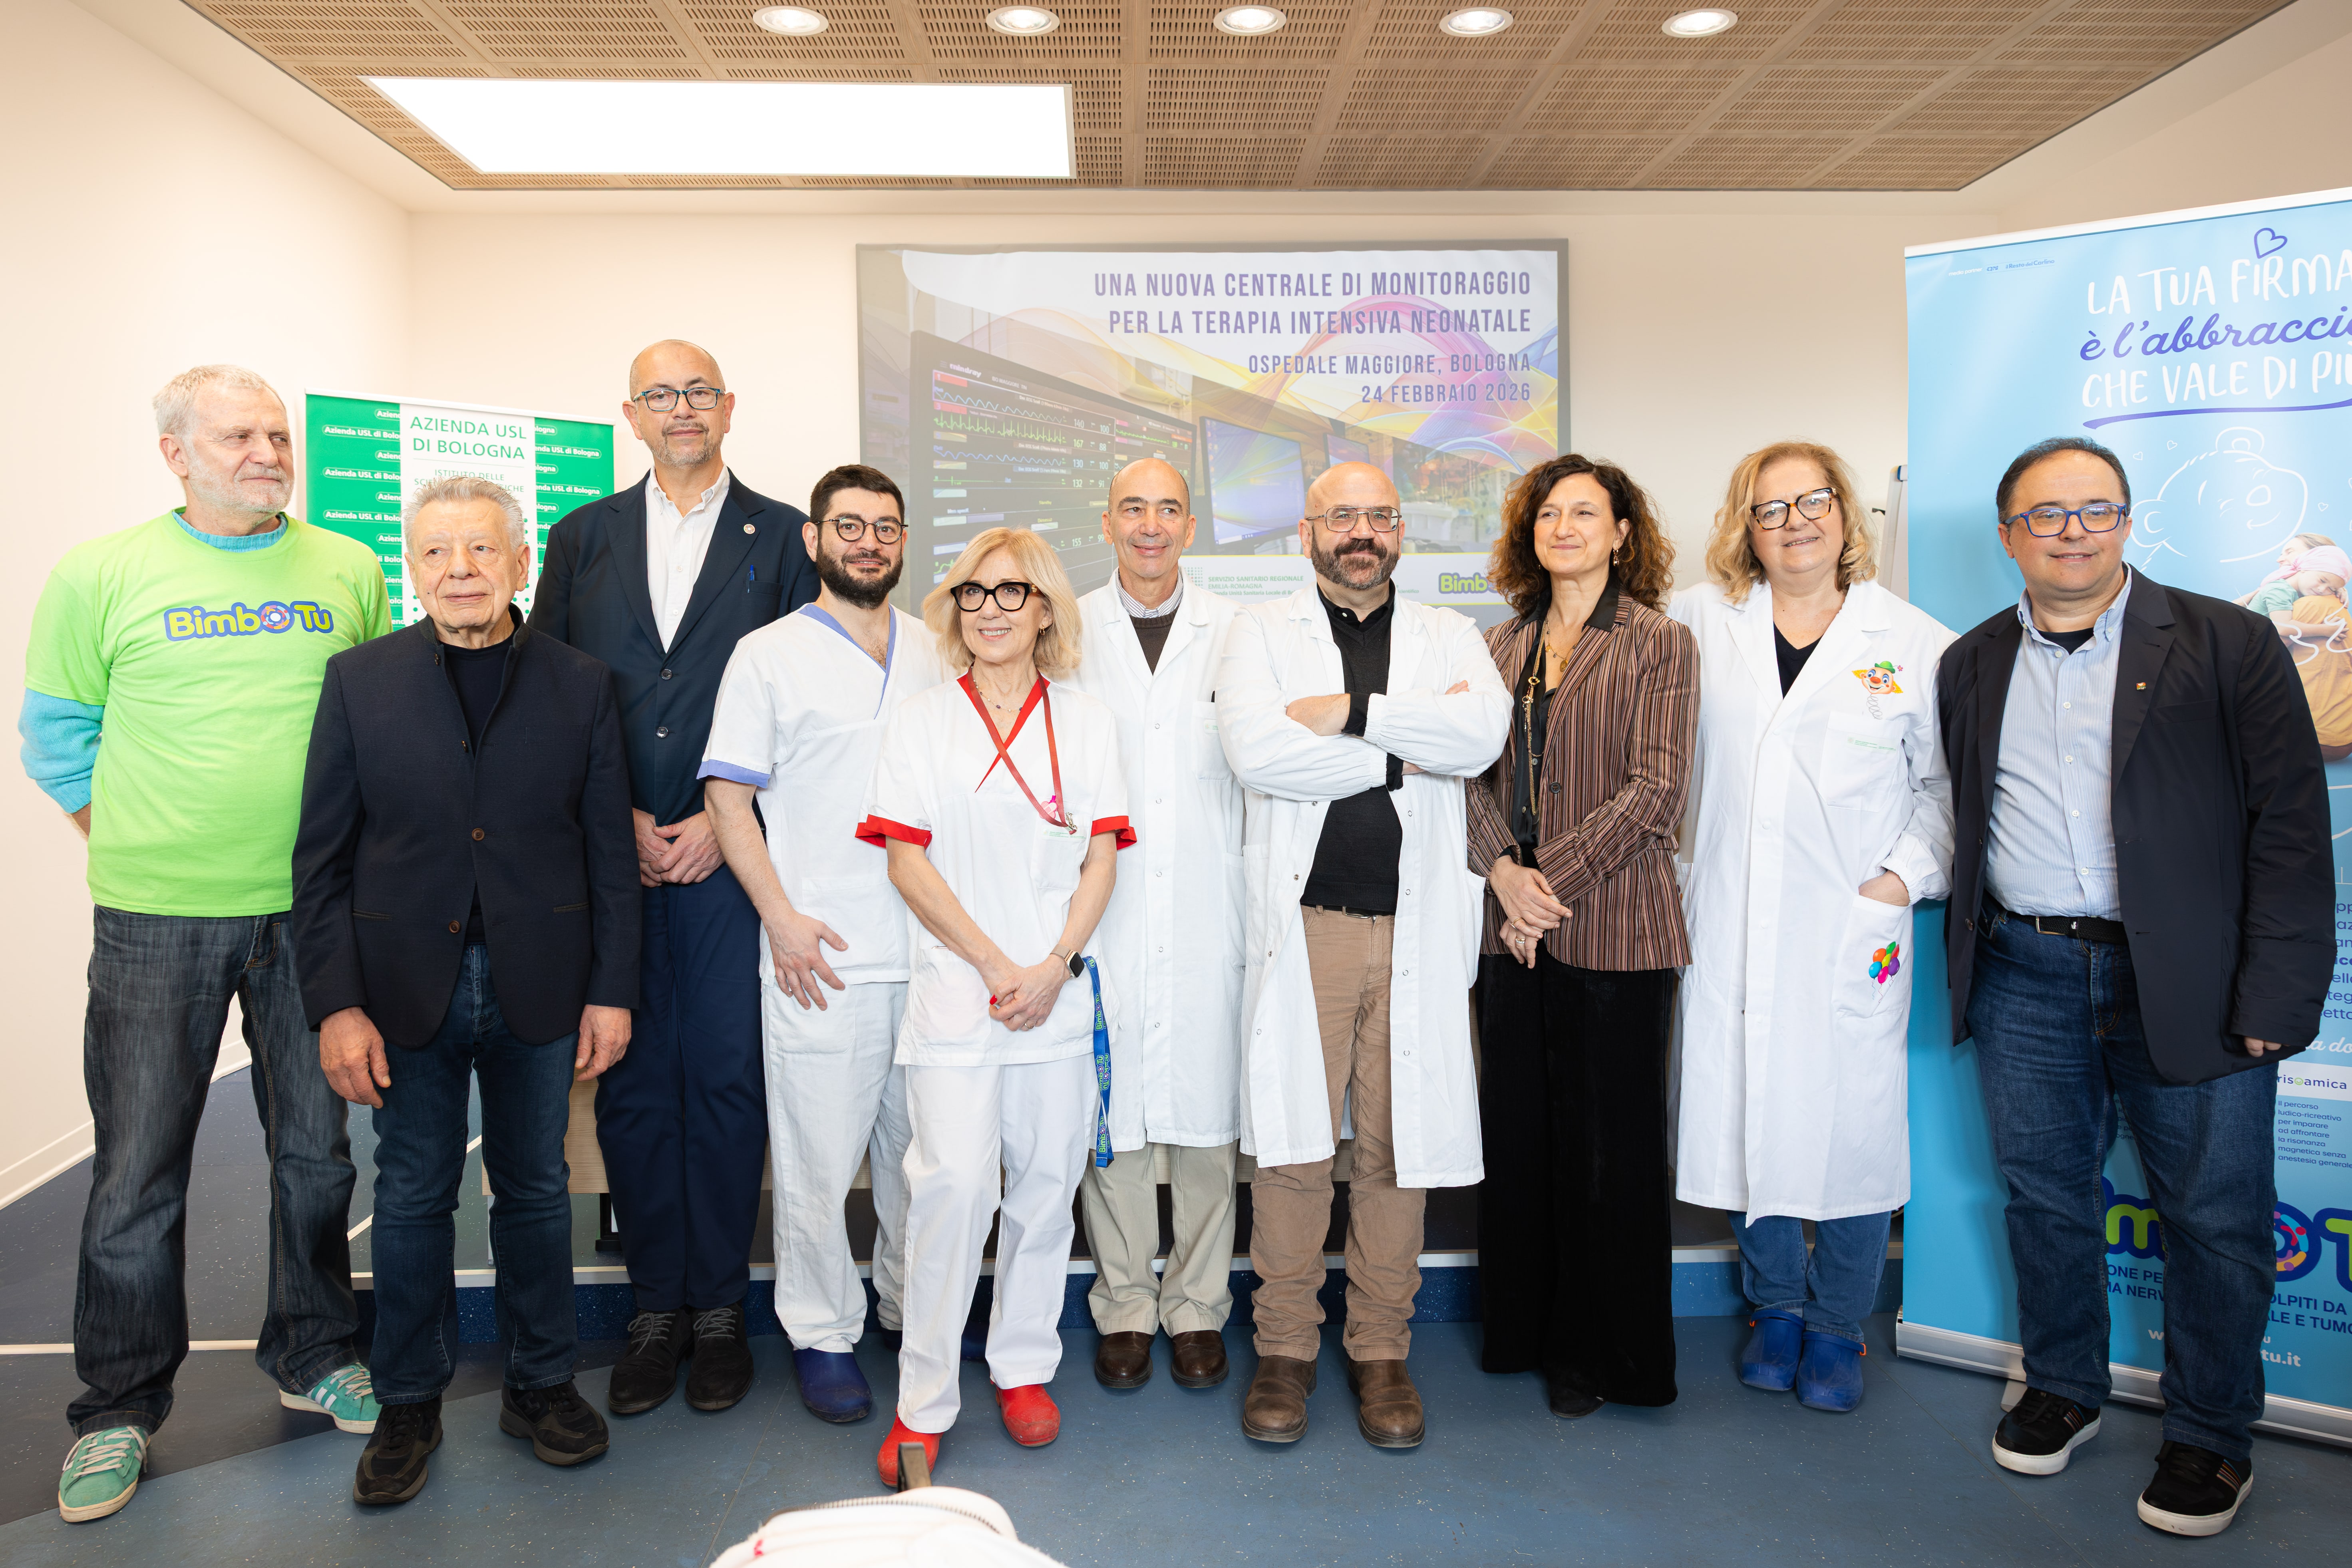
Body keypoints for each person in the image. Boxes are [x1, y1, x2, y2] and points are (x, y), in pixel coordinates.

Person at [1937, 435, 2330, 1537]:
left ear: (2125, 520)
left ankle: (2210, 1434)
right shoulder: (1971, 661)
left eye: (2095, 509)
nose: (2072, 531)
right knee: (2044, 1194)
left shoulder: (2227, 641)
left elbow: (2291, 827)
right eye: (2045, 514)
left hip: (2192, 977)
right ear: (2009, 534)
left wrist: (2276, 995)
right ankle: (2063, 1382)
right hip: (2024, 972)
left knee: (2214, 1216)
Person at [22, 366, 390, 1523]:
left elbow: (377, 717)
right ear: (176, 453)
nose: (268, 452)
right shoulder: (100, 573)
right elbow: (55, 734)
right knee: (139, 1167)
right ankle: (118, 1406)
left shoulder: (348, 566)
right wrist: (140, 839)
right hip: (155, 917)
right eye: (238, 436)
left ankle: (315, 1348)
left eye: (277, 433)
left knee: (318, 1152)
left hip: (314, 915)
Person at [292, 475, 639, 1504]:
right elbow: (322, 861)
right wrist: (336, 1004)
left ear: (521, 563)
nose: (460, 571)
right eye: (438, 552)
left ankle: (540, 1384)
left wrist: (612, 990)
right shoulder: (358, 681)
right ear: (413, 567)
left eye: (483, 550)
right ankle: (408, 1401)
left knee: (535, 1189)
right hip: (403, 990)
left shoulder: (581, 683)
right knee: (411, 1194)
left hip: (544, 986)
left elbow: (609, 857)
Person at [529, 339, 818, 1418]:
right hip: (615, 860)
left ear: (729, 408)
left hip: (733, 856)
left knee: (730, 1080)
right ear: (632, 414)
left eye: (699, 391)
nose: (681, 408)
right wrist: (618, 816)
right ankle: (657, 1306)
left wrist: (718, 818)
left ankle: (721, 1307)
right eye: (661, 393)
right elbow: (551, 688)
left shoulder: (784, 537)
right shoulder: (581, 536)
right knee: (636, 1083)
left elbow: (810, 696)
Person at [1216, 461, 1509, 1449]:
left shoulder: (1449, 634)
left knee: (1397, 1147)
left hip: (1419, 928)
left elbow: (1478, 738)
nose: (1361, 532)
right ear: (1306, 531)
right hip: (1313, 925)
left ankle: (1381, 1348)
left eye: (1379, 515)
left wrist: (1348, 714)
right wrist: (1402, 755)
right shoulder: (1259, 633)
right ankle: (1285, 1349)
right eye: (1341, 515)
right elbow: (1258, 754)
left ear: (1399, 531)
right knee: (1296, 1146)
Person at [1670, 441, 1955, 1413]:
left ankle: (1836, 1322)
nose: (1794, 522)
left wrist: (1897, 881)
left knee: (1854, 1123)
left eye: (1813, 501)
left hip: (1851, 922)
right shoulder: (1701, 620)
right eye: (1770, 508)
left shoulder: (1912, 640)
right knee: (1744, 1109)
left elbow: (1945, 790)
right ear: (1743, 528)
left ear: (1845, 513)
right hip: (1730, 911)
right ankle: (1776, 1308)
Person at [855, 527, 1131, 1485]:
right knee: (951, 1194)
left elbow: (1100, 859)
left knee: (1046, 1187)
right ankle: (924, 1401)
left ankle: (1021, 1368)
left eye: (1012, 592)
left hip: (1051, 997)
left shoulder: (1085, 722)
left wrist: (1052, 965)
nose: (990, 610)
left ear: (1045, 608)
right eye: (973, 593)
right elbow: (906, 860)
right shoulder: (922, 721)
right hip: (960, 998)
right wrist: (994, 965)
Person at [702, 464, 944, 1424]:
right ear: (813, 540)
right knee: (815, 1160)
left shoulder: (938, 648)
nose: (867, 543)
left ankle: (909, 1306)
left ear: (903, 541)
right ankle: (822, 1333)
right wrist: (781, 917)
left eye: (885, 527)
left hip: (929, 951)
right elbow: (728, 799)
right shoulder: (767, 655)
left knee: (923, 1154)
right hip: (822, 954)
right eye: (849, 526)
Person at [1463, 454, 1697, 1419]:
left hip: (1616, 929)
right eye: (1548, 513)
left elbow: (1656, 789)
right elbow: (1464, 776)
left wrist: (1542, 886)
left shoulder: (1659, 643)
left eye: (1585, 513)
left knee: (1611, 1152)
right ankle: (1521, 1331)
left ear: (1621, 534)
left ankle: (1607, 1355)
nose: (1563, 527)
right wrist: (1502, 875)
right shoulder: (1496, 646)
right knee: (1519, 1138)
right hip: (1509, 929)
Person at [1068, 458, 1247, 1393]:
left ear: (1189, 525)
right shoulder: (1065, 630)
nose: (1150, 524)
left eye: (1167, 508)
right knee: (1116, 1115)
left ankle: (1199, 1307)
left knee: (1210, 1122)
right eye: (1132, 508)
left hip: (1211, 907)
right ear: (1107, 523)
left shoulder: (1238, 631)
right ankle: (1127, 1305)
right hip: (1105, 909)